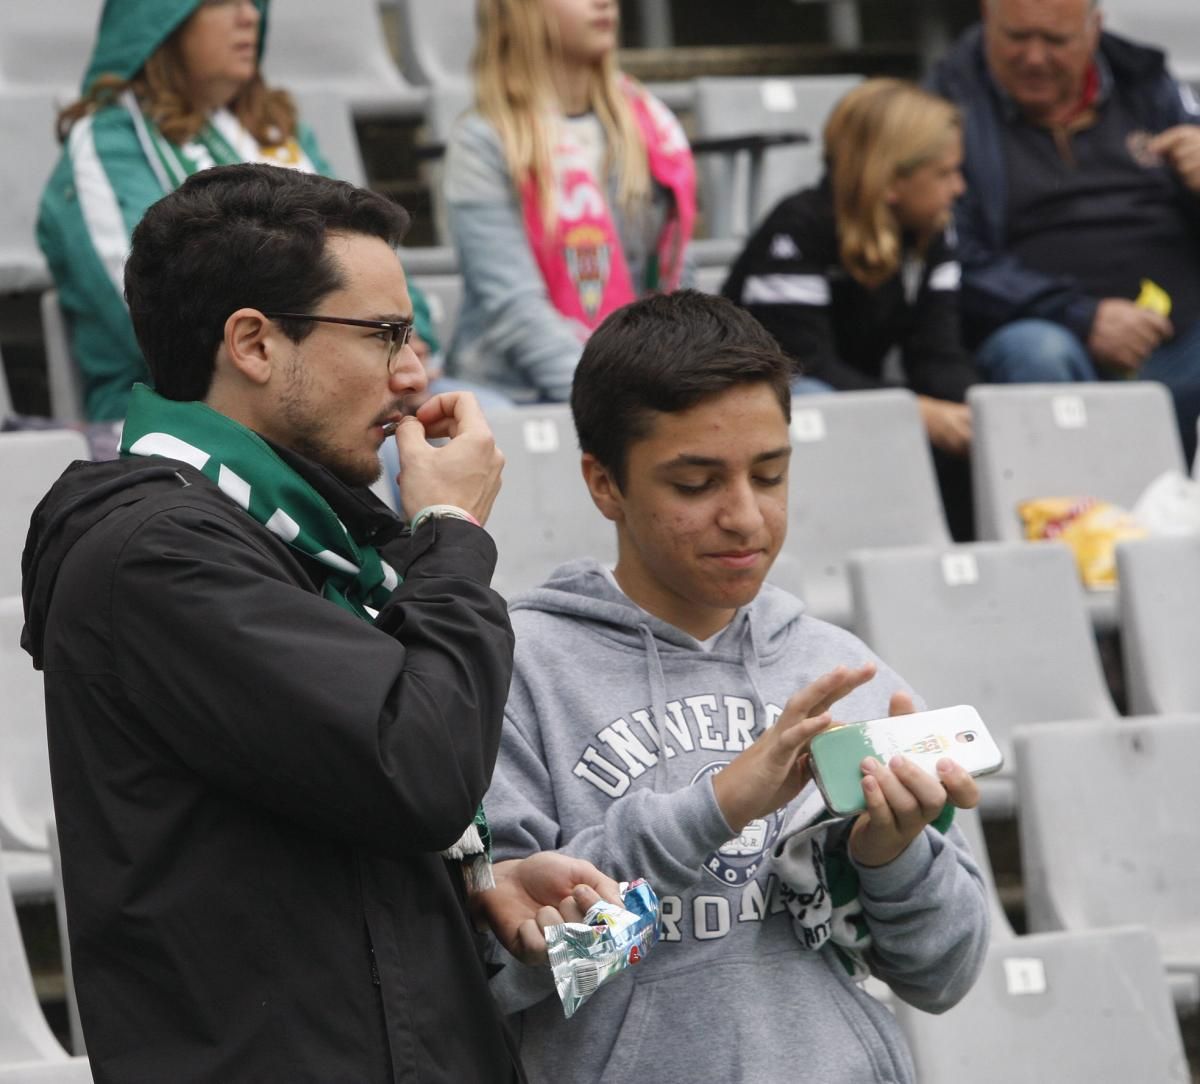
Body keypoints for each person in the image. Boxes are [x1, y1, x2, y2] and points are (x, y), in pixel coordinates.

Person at [21, 163, 617, 1083]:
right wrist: (450, 534)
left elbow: (318, 822)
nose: (415, 374)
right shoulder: (159, 557)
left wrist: (465, 889)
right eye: (384, 334)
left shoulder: (304, 533)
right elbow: (416, 762)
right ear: (254, 344)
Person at [483, 290, 990, 1084]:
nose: (746, 517)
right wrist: (716, 810)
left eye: (771, 474)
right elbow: (505, 979)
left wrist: (890, 859)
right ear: (604, 483)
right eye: (695, 484)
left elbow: (942, 976)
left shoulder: (835, 665)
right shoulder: (522, 672)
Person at [36, 0, 448, 423]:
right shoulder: (107, 141)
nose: (249, 15)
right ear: (157, 18)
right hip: (177, 418)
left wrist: (405, 342)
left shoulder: (274, 130)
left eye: (253, 2)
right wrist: (360, 359)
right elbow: (155, 311)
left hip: (337, 388)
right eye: (221, 2)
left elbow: (368, 248)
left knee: (469, 419)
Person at [931, 0, 1200, 460]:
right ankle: (1067, 521)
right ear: (985, 21)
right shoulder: (944, 105)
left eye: (1055, 40)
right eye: (1016, 37)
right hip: (1043, 330)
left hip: (1184, 335)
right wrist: (1082, 317)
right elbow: (952, 258)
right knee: (1036, 351)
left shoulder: (1149, 84)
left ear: (1094, 30)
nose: (1034, 57)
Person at [722, 79, 978, 539]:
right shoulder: (799, 228)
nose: (958, 188)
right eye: (944, 173)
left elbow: (938, 353)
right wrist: (917, 413)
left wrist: (968, 416)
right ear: (893, 180)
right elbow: (798, 365)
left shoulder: (932, 231)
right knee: (818, 400)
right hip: (758, 408)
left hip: (858, 392)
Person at [443, 0, 696, 402]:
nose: (604, 3)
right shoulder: (482, 142)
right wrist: (610, 402)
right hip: (516, 390)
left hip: (638, 384)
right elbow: (515, 307)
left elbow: (676, 279)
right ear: (520, 11)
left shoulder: (650, 126)